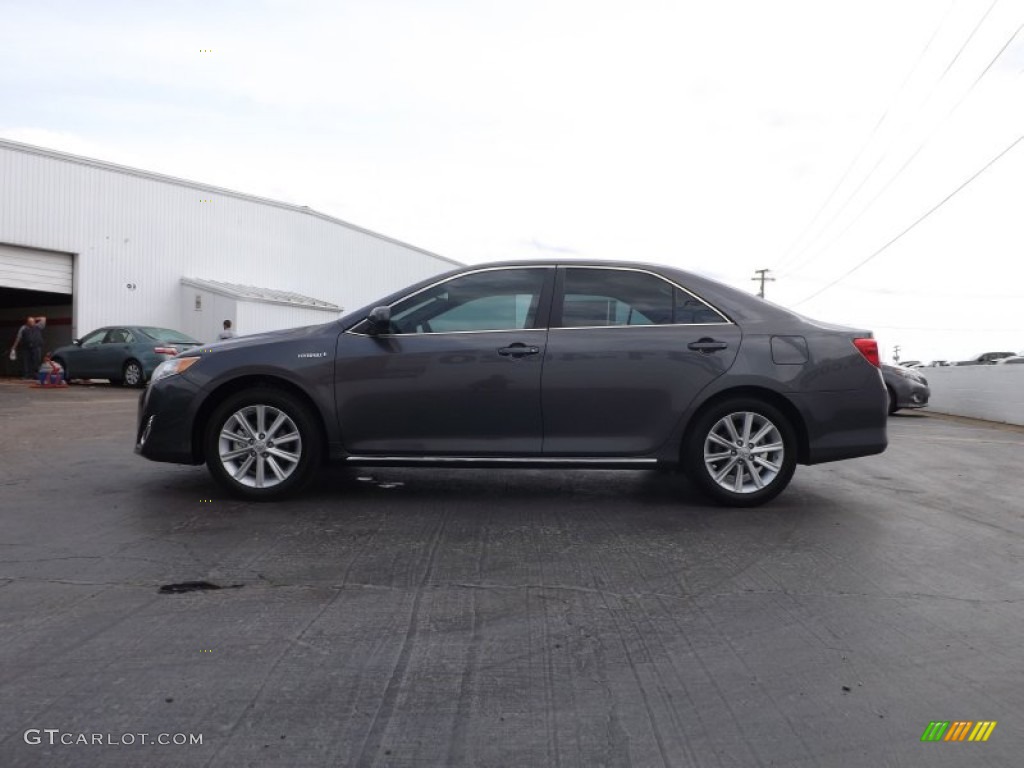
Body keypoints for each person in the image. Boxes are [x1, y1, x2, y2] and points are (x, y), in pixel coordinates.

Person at [10, 315, 46, 379]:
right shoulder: (23, 328)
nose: (32, 323)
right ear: (27, 323)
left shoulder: (38, 326)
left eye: (33, 322)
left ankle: (36, 375)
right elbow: (18, 338)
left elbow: (44, 318)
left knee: (36, 361)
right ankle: (26, 375)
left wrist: (35, 318)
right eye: (30, 322)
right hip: (26, 347)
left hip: (36, 346)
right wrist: (14, 347)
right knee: (26, 361)